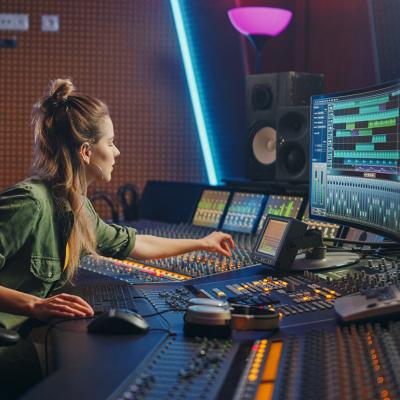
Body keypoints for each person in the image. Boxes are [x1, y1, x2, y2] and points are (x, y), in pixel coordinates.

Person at [0, 78, 234, 397]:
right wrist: (35, 305)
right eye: (110, 143)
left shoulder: (77, 207)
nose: (116, 151)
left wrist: (203, 242)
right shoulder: (29, 203)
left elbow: (135, 243)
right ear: (86, 151)